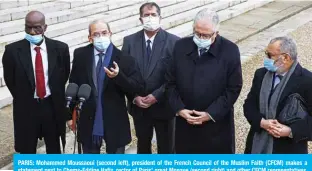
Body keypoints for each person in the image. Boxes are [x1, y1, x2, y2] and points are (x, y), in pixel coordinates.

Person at [165, 8, 242, 154]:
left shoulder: (230, 50)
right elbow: (170, 82)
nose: (200, 37)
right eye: (197, 33)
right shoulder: (180, 46)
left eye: (206, 35)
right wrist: (180, 109)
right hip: (185, 123)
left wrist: (210, 113)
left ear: (216, 33)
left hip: (216, 126)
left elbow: (233, 88)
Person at [67, 19, 144, 154]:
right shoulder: (80, 55)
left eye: (104, 33)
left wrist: (119, 76)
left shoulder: (125, 58)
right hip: (88, 119)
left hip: (115, 120)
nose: (101, 37)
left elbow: (136, 88)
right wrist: (69, 116)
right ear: (90, 38)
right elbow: (74, 84)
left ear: (110, 34)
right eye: (96, 34)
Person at [2, 11, 70, 154]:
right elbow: (10, 80)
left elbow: (63, 76)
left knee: (54, 148)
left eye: (37, 28)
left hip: (51, 106)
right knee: (27, 148)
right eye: (28, 27)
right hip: (27, 107)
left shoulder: (60, 49)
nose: (32, 32)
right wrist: (24, 96)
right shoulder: (12, 51)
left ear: (45, 27)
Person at [122, 2, 180, 154]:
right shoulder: (129, 41)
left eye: (153, 14)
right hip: (139, 107)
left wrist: (156, 95)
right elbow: (125, 74)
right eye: (146, 15)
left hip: (164, 105)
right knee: (143, 147)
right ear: (140, 19)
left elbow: (176, 75)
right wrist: (134, 97)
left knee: (167, 148)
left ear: (160, 17)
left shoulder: (174, 42)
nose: (150, 18)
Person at [244, 36, 312, 154]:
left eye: (270, 55)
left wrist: (290, 131)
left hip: (289, 150)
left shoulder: (307, 80)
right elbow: (249, 105)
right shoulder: (260, 74)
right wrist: (262, 122)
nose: (267, 59)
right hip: (256, 145)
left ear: (285, 57)